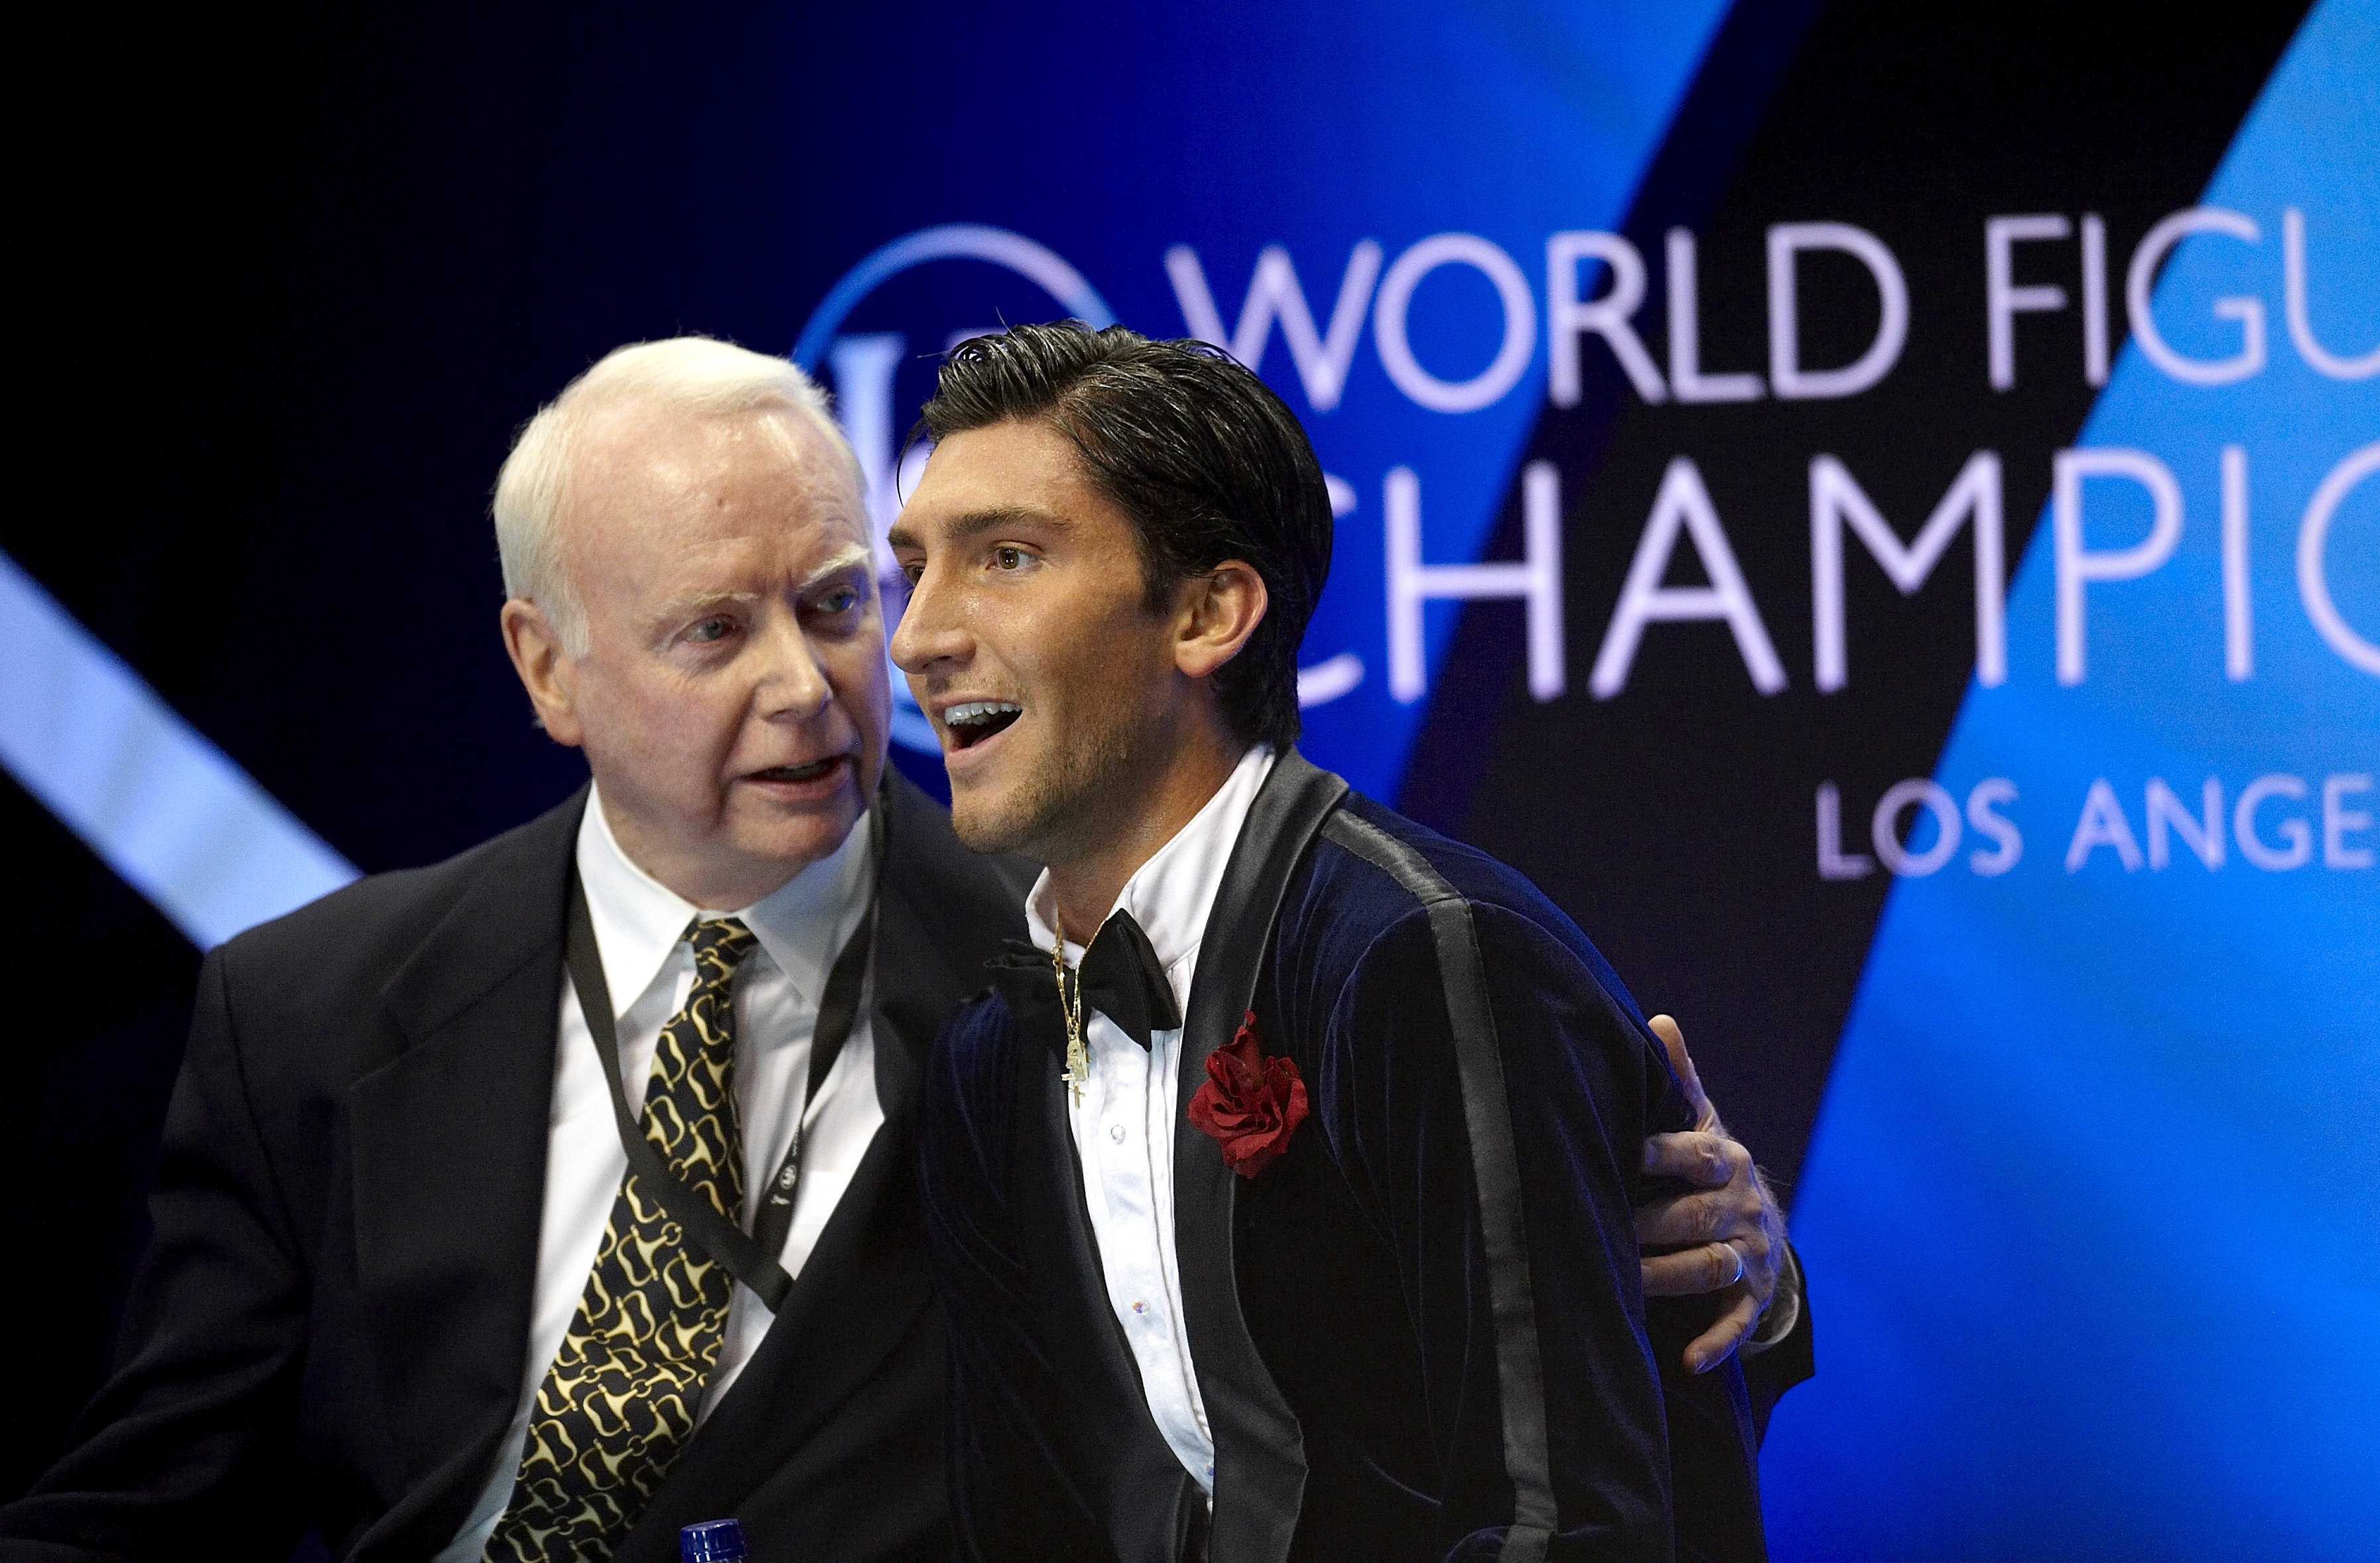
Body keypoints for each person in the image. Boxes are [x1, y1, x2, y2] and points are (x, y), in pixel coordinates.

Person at [3, 336, 1787, 1563]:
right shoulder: (305, 1009)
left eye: (840, 597)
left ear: (1204, 607)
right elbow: (144, 1506)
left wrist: (1720, 1270)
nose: (835, 671)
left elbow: (1529, 1425)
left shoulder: (1101, 964)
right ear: (545, 667)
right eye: (714, 626)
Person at [893, 322, 1800, 1563]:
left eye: (1005, 557)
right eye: (915, 569)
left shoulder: (1425, 956)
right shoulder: (989, 1061)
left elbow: (1564, 1522)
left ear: (1210, 612)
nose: (917, 636)